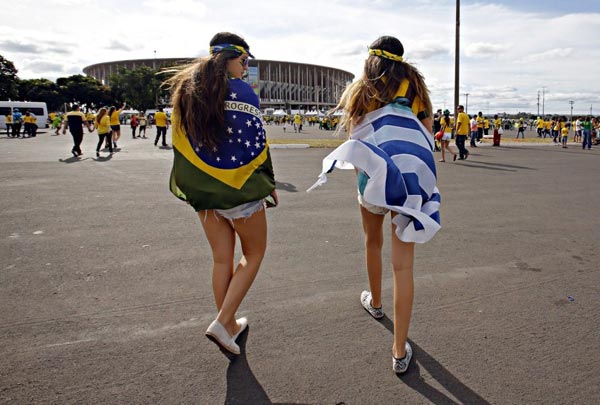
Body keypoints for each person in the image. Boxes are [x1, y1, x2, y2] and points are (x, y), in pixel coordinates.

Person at [308, 35, 440, 374]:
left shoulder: (361, 87)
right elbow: (427, 130)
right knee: (404, 267)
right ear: (401, 59)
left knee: (372, 241)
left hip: (372, 182)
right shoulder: (415, 89)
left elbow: (356, 137)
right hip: (408, 181)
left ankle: (377, 303)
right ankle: (399, 350)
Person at [166, 32, 277, 356]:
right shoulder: (243, 91)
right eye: (244, 61)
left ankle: (228, 328)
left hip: (202, 190)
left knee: (221, 258)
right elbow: (256, 146)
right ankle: (223, 320)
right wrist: (268, 183)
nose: (245, 67)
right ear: (232, 59)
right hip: (240, 189)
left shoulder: (188, 90)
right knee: (253, 254)